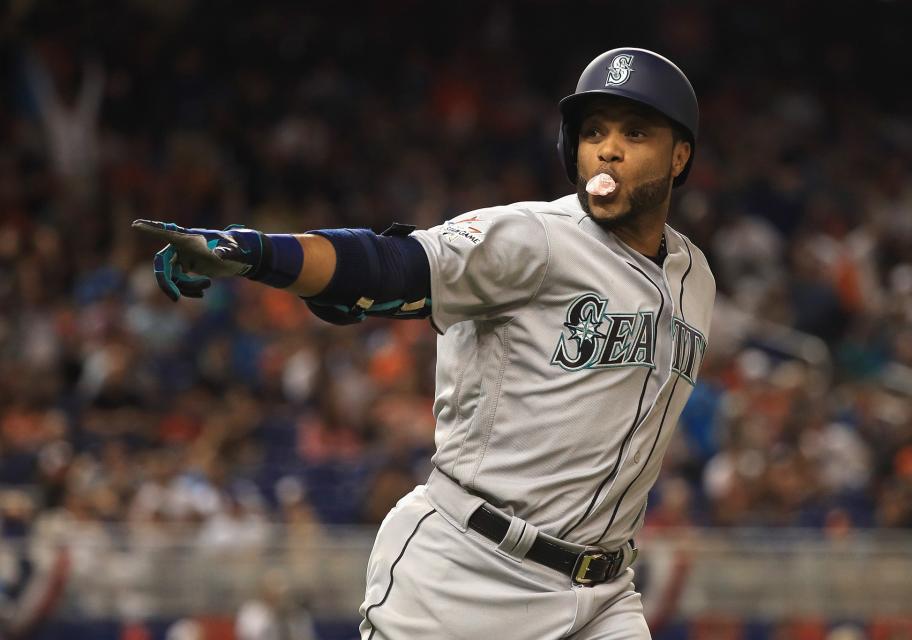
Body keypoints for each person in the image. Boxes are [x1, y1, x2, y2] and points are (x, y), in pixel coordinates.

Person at [134, 47, 714, 640]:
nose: (608, 149)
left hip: (604, 592)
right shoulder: (533, 237)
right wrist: (257, 252)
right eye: (593, 131)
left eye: (635, 132)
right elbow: (391, 264)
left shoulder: (696, 279)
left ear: (680, 156)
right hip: (469, 572)